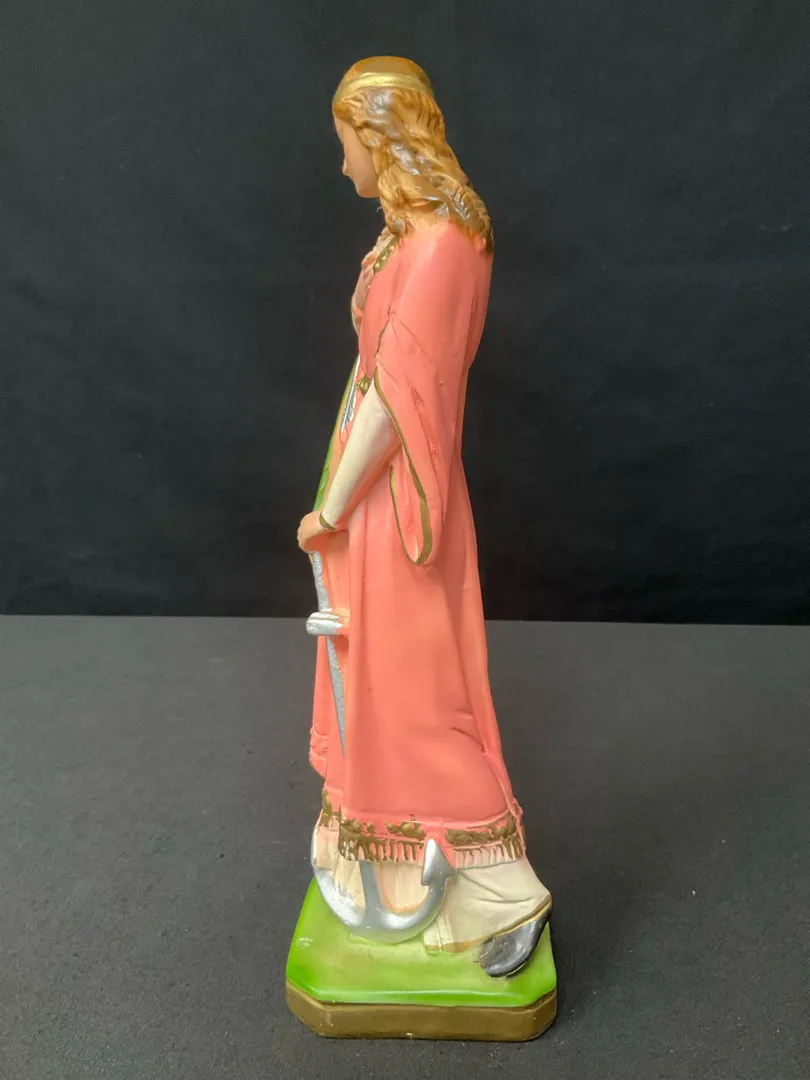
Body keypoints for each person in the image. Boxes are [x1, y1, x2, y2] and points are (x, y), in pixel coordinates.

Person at [296, 56, 551, 976]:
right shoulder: (410, 236)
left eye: (347, 146)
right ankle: (404, 870)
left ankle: (505, 890)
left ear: (381, 139)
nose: (342, 166)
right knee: (380, 689)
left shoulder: (441, 245)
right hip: (374, 499)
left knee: (417, 696)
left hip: (398, 506)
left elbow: (397, 397)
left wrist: (330, 506)